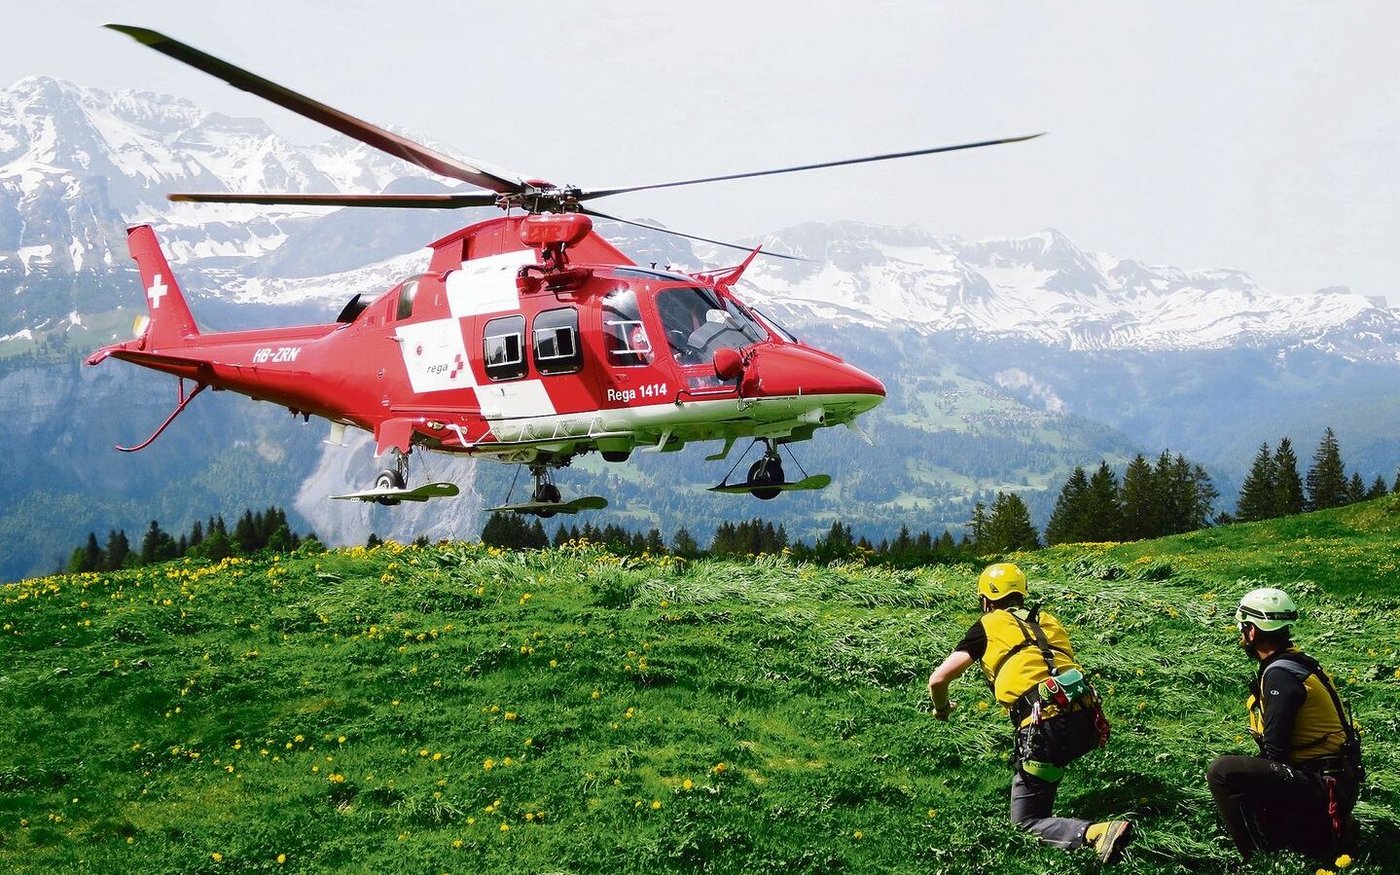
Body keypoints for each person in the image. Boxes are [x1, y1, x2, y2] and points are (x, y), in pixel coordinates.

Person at [928, 562, 1131, 864]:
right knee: (1052, 754)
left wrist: (942, 709)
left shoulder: (987, 624)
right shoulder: (1048, 620)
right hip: (1087, 720)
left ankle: (1095, 832)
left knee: (1026, 822)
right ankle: (1048, 774)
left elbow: (938, 679)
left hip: (1047, 729)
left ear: (985, 600)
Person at [1207, 587, 1364, 862]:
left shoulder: (1279, 675)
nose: (1242, 636)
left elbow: (1275, 752)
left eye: (1243, 628)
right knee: (1250, 775)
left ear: (1252, 632)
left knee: (1222, 771)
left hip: (1324, 785)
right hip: (1335, 779)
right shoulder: (1295, 664)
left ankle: (1258, 858)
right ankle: (1310, 833)